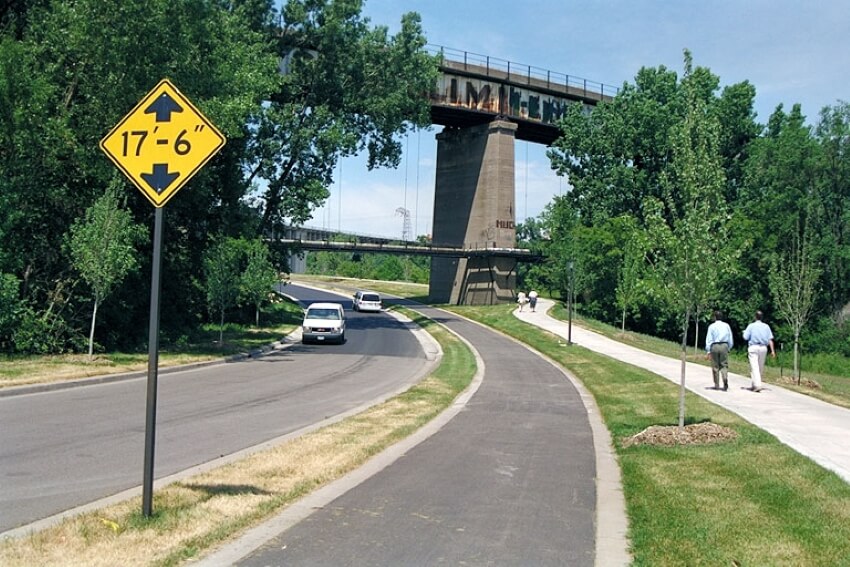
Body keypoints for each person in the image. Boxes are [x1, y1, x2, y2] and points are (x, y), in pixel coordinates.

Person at [742, 310, 776, 392]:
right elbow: (770, 339)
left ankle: (757, 384)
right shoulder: (766, 326)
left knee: (754, 367)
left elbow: (745, 337)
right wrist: (772, 351)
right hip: (763, 348)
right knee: (760, 367)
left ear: (755, 317)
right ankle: (755, 384)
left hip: (753, 347)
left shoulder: (751, 326)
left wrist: (744, 333)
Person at [704, 310, 733, 391]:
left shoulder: (711, 326)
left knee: (715, 365)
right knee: (724, 364)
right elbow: (730, 337)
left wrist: (708, 350)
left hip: (715, 345)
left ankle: (716, 384)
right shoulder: (726, 325)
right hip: (724, 345)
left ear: (715, 317)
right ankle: (725, 378)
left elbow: (709, 339)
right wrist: (729, 347)